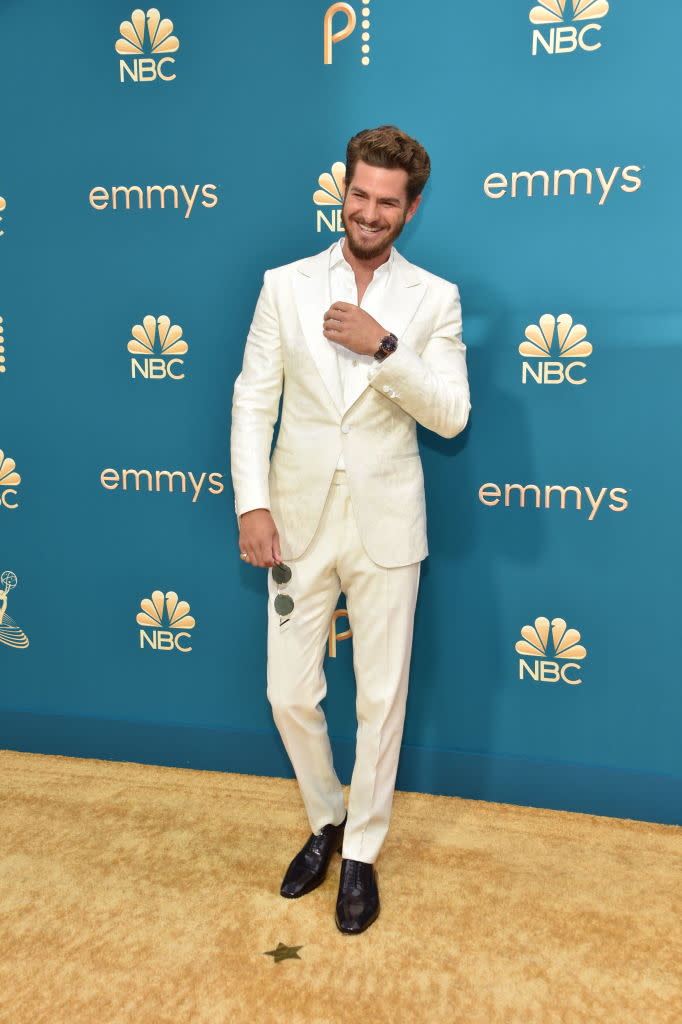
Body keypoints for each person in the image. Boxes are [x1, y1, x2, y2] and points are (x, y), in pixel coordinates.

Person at [230, 125, 470, 934]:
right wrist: (251, 502)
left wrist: (386, 348)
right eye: (360, 194)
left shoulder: (433, 299)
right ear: (344, 190)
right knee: (289, 693)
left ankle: (361, 851)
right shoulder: (284, 285)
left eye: (388, 202)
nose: (370, 213)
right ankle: (327, 816)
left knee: (380, 696)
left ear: (411, 209)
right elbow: (253, 400)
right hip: (295, 519)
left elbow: (451, 415)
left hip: (386, 521)